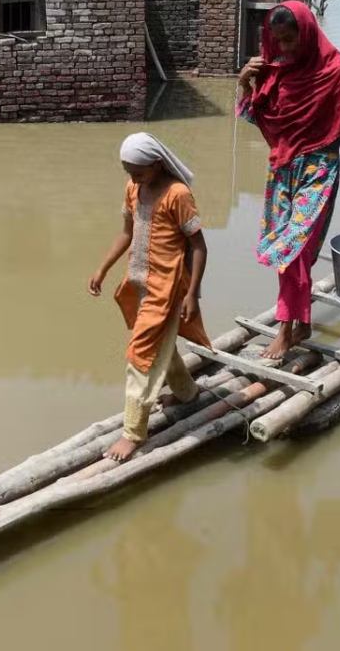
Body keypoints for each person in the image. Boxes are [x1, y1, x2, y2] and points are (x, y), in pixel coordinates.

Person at [237, 0, 340, 364]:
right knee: (288, 252)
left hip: (318, 173)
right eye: (278, 40)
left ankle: (285, 331)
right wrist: (244, 82)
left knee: (294, 251)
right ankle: (303, 324)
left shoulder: (335, 72)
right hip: (282, 172)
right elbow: (257, 117)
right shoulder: (277, 70)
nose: (284, 48)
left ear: (307, 32)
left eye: (290, 39)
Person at [89, 133, 212, 462]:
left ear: (157, 165)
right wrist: (102, 269)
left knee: (140, 357)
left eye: (139, 172)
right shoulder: (133, 189)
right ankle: (187, 394)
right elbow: (127, 233)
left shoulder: (178, 194)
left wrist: (193, 294)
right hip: (141, 284)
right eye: (128, 172)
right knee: (162, 346)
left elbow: (198, 246)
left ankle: (133, 432)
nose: (133, 179)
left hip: (167, 289)